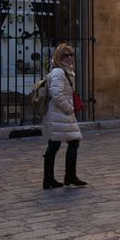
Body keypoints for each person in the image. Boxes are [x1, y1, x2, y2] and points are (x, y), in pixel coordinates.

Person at [42, 43, 87, 189]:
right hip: (60, 113)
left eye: (70, 55)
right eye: (64, 55)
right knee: (71, 142)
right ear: (58, 57)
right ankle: (67, 176)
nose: (68, 58)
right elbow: (57, 94)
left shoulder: (64, 71)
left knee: (55, 145)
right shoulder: (59, 72)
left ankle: (51, 179)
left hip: (60, 114)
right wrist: (69, 109)